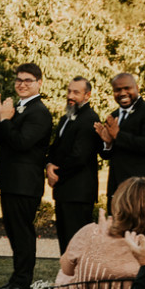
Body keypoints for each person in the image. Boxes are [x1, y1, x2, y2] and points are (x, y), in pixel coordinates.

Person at [0, 62, 52, 289]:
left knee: (23, 234)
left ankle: (22, 284)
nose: (22, 84)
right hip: (11, 181)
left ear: (39, 83)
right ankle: (15, 280)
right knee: (14, 233)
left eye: (28, 80)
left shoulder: (39, 112)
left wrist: (5, 120)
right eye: (19, 80)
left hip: (25, 184)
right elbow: (0, 139)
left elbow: (21, 142)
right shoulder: (18, 108)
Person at [95, 73, 145, 211]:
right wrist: (108, 144)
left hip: (144, 187)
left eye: (127, 88)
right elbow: (107, 155)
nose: (122, 93)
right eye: (117, 90)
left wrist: (118, 136)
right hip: (118, 187)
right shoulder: (113, 116)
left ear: (137, 88)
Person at [47, 77, 102, 253]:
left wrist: (57, 174)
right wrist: (49, 165)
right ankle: (67, 278)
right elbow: (56, 148)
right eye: (69, 91)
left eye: (76, 92)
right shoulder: (67, 118)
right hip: (65, 191)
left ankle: (77, 279)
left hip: (78, 193)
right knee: (65, 242)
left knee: (77, 244)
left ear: (88, 95)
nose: (71, 96)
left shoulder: (89, 119)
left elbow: (79, 157)